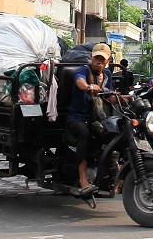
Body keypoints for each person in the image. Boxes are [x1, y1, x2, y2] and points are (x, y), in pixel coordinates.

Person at [65, 42, 113, 197]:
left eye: (102, 59)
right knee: (84, 135)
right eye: (96, 58)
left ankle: (105, 172)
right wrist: (88, 87)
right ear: (91, 57)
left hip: (96, 119)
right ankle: (83, 180)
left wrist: (128, 98)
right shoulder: (83, 71)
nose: (98, 62)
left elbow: (110, 96)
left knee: (111, 134)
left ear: (108, 61)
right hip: (77, 118)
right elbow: (79, 81)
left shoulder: (107, 75)